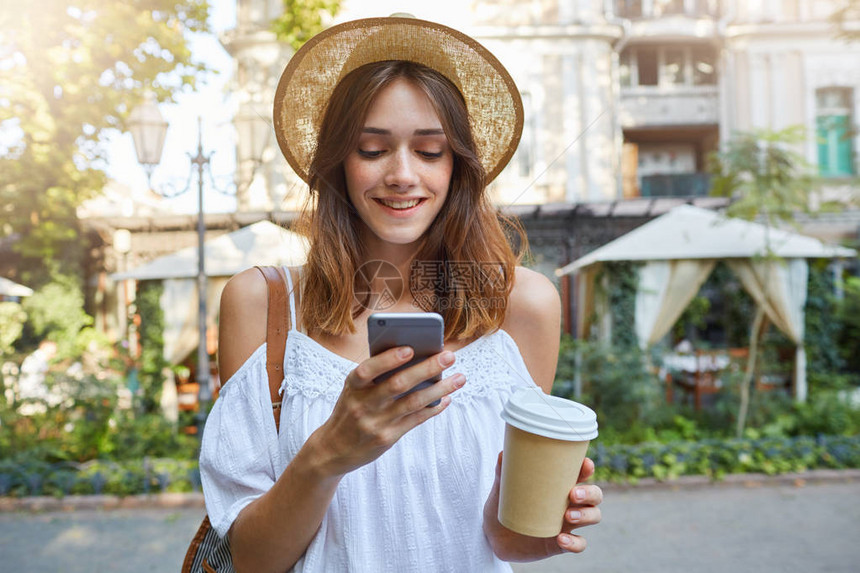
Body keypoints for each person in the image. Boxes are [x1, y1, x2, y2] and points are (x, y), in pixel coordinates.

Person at [200, 15, 603, 572]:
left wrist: (538, 530)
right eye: (372, 149)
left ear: (458, 167)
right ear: (338, 163)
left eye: (430, 151)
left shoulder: (524, 307)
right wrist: (326, 455)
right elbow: (249, 560)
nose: (402, 174)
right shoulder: (265, 305)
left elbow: (505, 543)